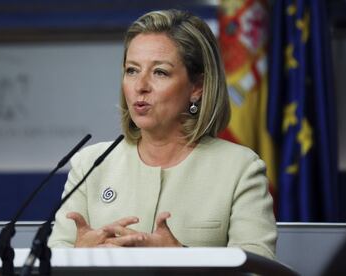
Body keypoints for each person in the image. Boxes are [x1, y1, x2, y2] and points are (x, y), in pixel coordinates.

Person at [48, 9, 277, 259]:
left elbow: (259, 267)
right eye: (132, 70)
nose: (140, 86)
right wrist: (76, 256)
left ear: (197, 87)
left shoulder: (240, 169)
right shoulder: (90, 164)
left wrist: (181, 258)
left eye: (160, 72)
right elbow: (49, 261)